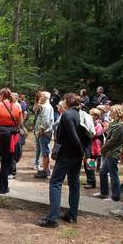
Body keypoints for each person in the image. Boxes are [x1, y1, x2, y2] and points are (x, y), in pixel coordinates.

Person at [36, 93, 85, 227]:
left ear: (68, 101)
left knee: (55, 183)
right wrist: (81, 153)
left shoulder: (68, 115)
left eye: (64, 99)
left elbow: (73, 136)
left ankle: (52, 219)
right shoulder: (79, 113)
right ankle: (72, 215)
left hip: (68, 154)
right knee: (74, 183)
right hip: (75, 155)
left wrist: (82, 153)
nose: (62, 101)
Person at [0, 88, 22, 194]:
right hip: (9, 134)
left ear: (2, 95)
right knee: (6, 161)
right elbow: (20, 123)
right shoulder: (16, 107)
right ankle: (3, 188)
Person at [93, 105, 123, 202]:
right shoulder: (114, 123)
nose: (110, 113)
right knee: (103, 172)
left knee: (113, 175)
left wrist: (103, 149)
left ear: (117, 112)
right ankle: (104, 192)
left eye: (112, 111)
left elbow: (113, 141)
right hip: (109, 152)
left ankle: (115, 196)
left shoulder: (119, 125)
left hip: (113, 152)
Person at [34, 91, 54, 179]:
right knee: (46, 151)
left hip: (44, 132)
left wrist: (41, 130)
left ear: (45, 98)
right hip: (43, 132)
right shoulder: (44, 106)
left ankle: (45, 171)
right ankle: (47, 170)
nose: (39, 98)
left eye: (41, 96)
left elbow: (46, 120)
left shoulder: (47, 107)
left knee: (45, 152)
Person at [89, 108, 103, 174]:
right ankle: (91, 173)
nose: (90, 116)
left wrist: (90, 134)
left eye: (92, 114)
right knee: (90, 159)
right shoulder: (90, 122)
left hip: (95, 144)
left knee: (93, 157)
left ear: (96, 116)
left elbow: (98, 133)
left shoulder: (98, 124)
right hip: (90, 143)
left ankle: (94, 172)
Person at [32, 91, 43, 170]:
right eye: (39, 96)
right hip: (36, 127)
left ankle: (38, 163)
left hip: (41, 128)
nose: (40, 98)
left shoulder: (46, 106)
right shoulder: (37, 104)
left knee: (41, 146)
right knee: (38, 146)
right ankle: (37, 163)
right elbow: (34, 111)